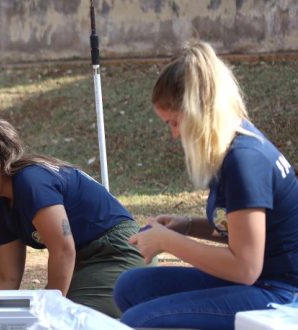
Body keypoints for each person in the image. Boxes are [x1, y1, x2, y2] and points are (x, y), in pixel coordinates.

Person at [113, 41, 298, 329]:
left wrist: (168, 241)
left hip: (280, 293)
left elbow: (245, 268)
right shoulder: (233, 146)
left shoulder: (244, 161)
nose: (175, 134)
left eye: (174, 122)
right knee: (131, 287)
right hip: (263, 281)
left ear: (197, 113)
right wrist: (186, 225)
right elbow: (240, 231)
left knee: (138, 321)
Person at [0, 117, 145, 318]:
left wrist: (50, 311)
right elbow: (8, 278)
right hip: (83, 262)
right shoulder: (5, 208)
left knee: (69, 319)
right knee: (33, 315)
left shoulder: (31, 181)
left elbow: (64, 250)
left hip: (117, 251)